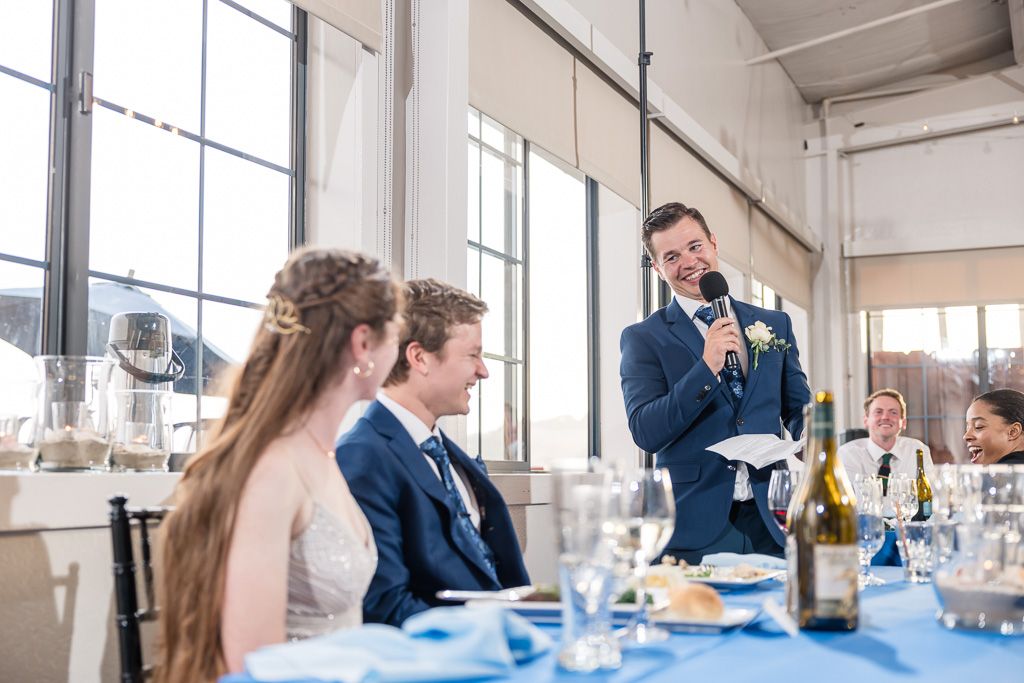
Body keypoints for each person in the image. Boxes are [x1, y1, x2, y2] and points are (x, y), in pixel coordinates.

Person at [155, 249, 403, 682]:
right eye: (396, 333)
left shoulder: (321, 454)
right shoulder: (272, 470)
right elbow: (252, 666)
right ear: (363, 343)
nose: (397, 349)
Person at [619, 202, 810, 564]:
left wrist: (809, 433)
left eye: (695, 247)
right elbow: (646, 431)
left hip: (772, 517)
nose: (689, 263)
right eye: (671, 256)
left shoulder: (774, 322)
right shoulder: (643, 338)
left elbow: (796, 406)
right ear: (659, 269)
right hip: (693, 524)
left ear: (714, 244)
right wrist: (706, 368)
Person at [336, 279, 530, 626]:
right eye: (473, 355)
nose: (483, 371)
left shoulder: (449, 454)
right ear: (419, 357)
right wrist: (494, 635)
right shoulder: (362, 459)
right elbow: (386, 608)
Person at [837, 388, 935, 496]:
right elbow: (852, 501)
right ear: (866, 420)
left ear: (903, 423)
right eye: (878, 412)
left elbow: (930, 496)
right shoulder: (847, 454)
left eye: (893, 412)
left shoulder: (917, 451)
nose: (885, 417)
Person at [964, 389, 1024, 464]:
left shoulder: (1006, 473)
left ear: (1013, 431)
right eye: (967, 428)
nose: (966, 436)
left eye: (978, 427)